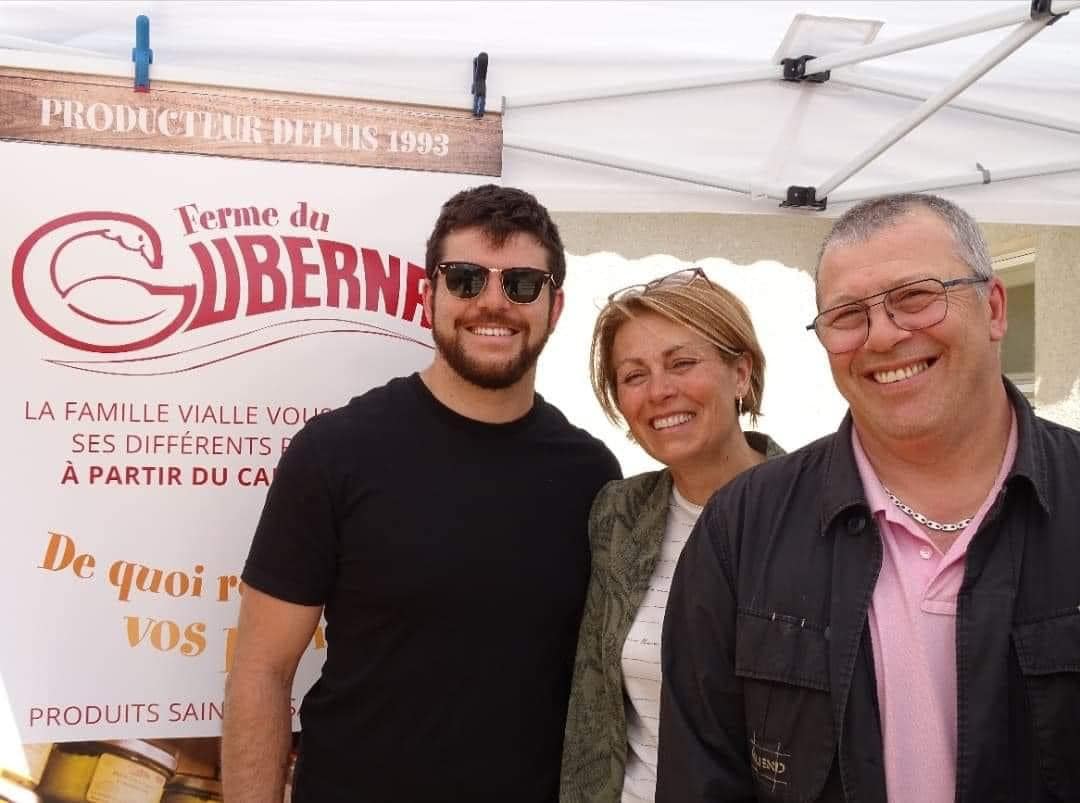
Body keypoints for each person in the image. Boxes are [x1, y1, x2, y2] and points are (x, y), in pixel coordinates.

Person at [656, 193, 1080, 803]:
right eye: (848, 315)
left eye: (915, 297)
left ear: (992, 307)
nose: (882, 337)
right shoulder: (743, 528)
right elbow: (701, 779)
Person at [222, 184, 621, 803]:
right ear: (426, 293)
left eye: (521, 284)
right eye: (465, 279)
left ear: (555, 306)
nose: (494, 303)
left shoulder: (592, 474)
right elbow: (261, 671)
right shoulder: (336, 451)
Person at [560, 268, 784, 803]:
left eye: (682, 363)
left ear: (741, 373)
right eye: (633, 376)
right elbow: (594, 711)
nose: (659, 391)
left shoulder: (814, 512)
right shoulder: (617, 514)